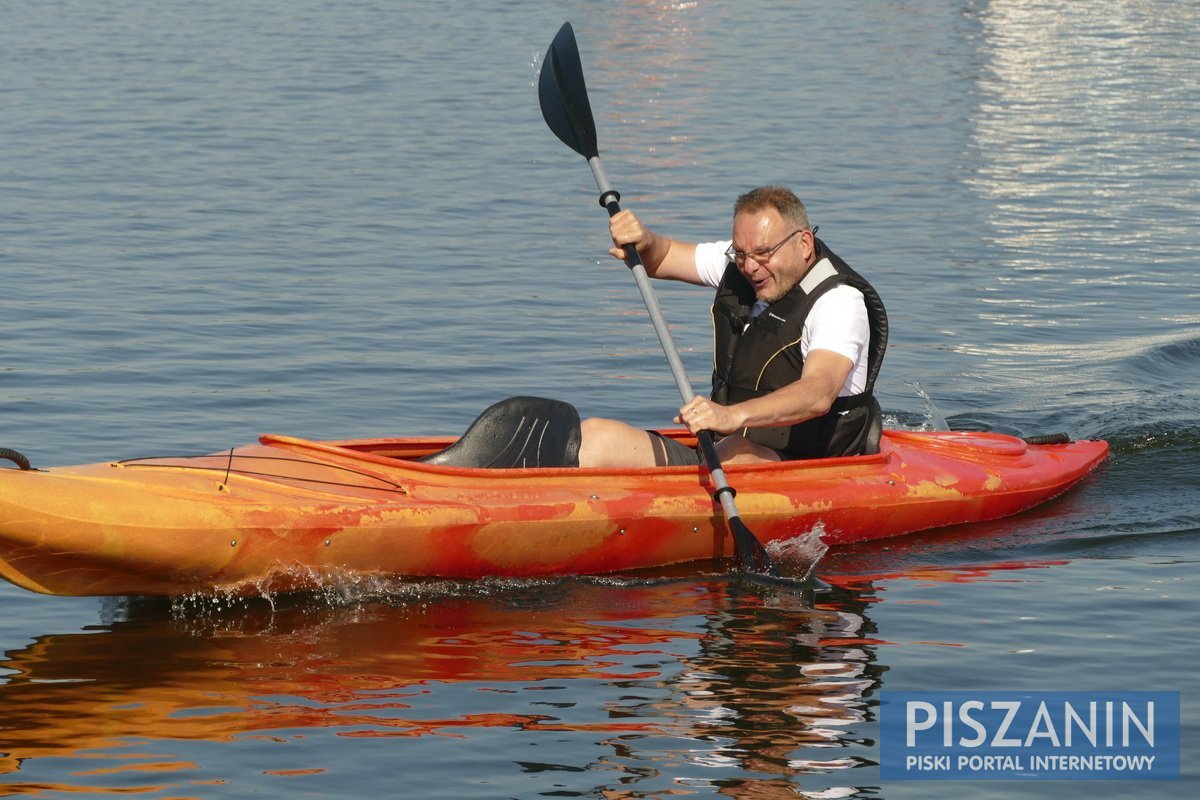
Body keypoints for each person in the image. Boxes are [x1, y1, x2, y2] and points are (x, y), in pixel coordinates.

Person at [578, 185, 887, 468]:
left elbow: (818, 392)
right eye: (741, 253)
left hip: (809, 465)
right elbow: (664, 255)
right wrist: (644, 241)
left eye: (763, 253)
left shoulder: (839, 302)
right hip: (723, 451)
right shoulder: (740, 260)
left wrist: (730, 415)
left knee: (733, 453)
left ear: (804, 243)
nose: (750, 267)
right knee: (595, 437)